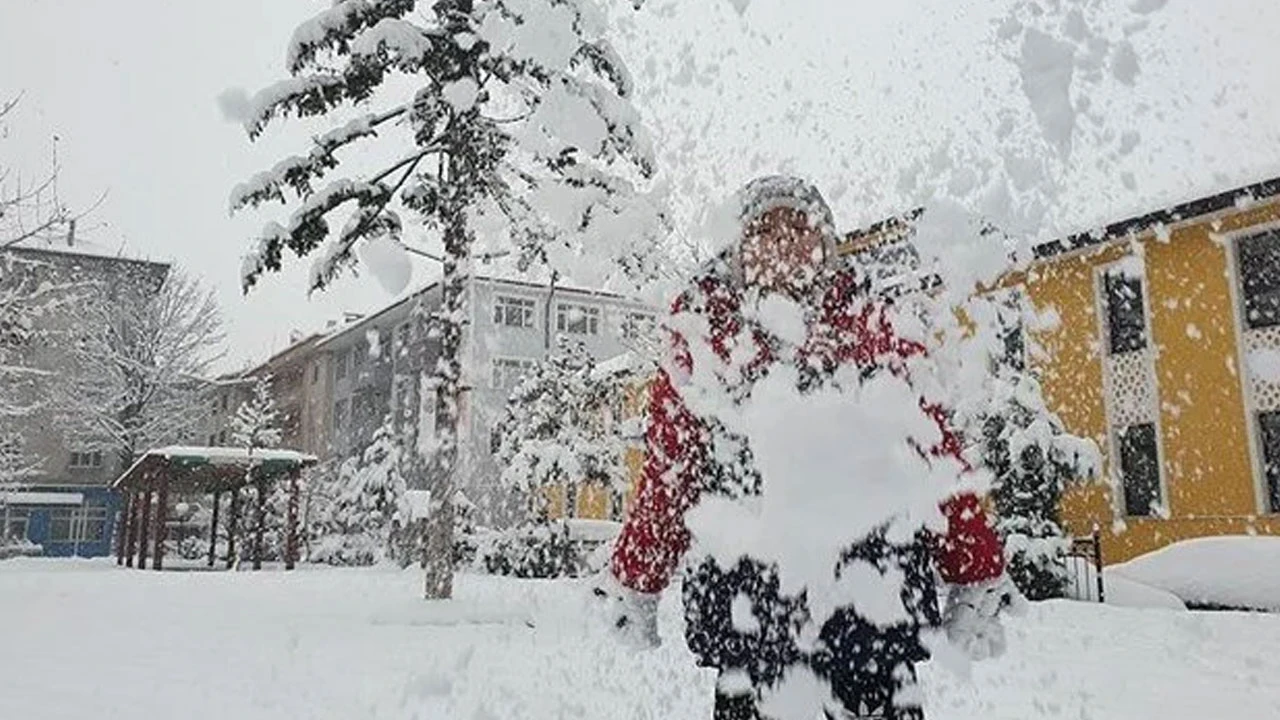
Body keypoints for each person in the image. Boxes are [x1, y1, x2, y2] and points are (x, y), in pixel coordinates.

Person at [594, 176, 1022, 720]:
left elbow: (933, 452)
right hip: (750, 618)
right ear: (738, 247)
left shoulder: (873, 323)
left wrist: (975, 567)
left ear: (824, 243)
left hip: (874, 614)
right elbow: (671, 474)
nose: (782, 241)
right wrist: (637, 578)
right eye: (764, 228)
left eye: (798, 226)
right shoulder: (705, 333)